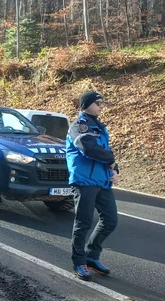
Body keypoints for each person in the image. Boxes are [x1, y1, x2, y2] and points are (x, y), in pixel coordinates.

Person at [66, 91, 120, 281]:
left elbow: (105, 152)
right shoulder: (79, 126)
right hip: (84, 181)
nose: (101, 105)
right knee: (83, 222)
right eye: (97, 102)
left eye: (102, 102)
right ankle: (79, 261)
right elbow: (88, 149)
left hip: (101, 181)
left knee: (111, 220)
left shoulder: (99, 127)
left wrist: (115, 170)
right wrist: (111, 160)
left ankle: (91, 256)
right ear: (85, 105)